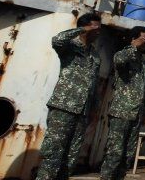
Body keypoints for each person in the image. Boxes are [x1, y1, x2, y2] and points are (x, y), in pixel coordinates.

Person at [36, 12, 102, 180]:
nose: (98, 32)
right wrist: (80, 30)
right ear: (86, 27)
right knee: (53, 154)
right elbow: (56, 40)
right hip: (63, 107)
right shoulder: (70, 46)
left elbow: (93, 85)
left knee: (71, 157)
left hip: (82, 112)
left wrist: (94, 108)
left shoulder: (95, 56)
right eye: (96, 28)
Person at [100, 26, 145, 180]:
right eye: (144, 39)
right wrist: (133, 48)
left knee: (127, 155)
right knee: (114, 153)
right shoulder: (125, 55)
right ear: (133, 38)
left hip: (136, 115)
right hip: (121, 112)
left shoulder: (144, 65)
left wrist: (144, 114)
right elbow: (118, 60)